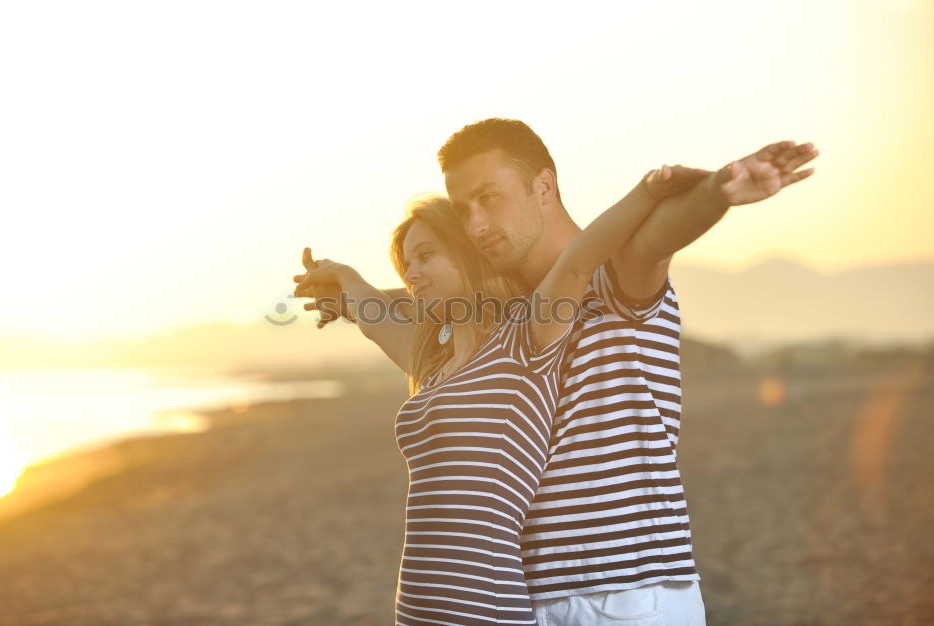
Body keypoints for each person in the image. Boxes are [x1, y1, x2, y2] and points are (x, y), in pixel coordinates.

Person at [297, 119, 818, 625]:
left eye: (490, 198)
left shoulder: (612, 276)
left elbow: (657, 237)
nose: (477, 224)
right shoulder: (494, 332)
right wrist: (346, 291)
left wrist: (717, 191)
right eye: (464, 210)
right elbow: (426, 305)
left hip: (624, 593)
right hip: (526, 596)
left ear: (543, 185)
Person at [293, 166, 702, 624]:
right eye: (407, 265)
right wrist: (343, 281)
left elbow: (579, 260)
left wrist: (647, 191)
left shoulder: (523, 343)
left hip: (489, 600)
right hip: (419, 608)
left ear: (471, 255)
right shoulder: (435, 362)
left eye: (426, 255)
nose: (412, 274)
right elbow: (374, 318)